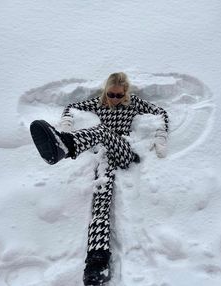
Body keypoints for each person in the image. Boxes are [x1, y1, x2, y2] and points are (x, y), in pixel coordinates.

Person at [30, 72, 169, 285]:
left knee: (102, 131)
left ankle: (66, 145)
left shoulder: (133, 103)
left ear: (125, 93)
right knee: (100, 205)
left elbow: (161, 113)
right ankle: (97, 262)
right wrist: (67, 123)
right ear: (106, 91)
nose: (113, 99)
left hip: (125, 152)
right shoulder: (99, 102)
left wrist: (161, 137)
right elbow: (72, 107)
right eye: (110, 94)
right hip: (105, 157)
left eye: (118, 95)